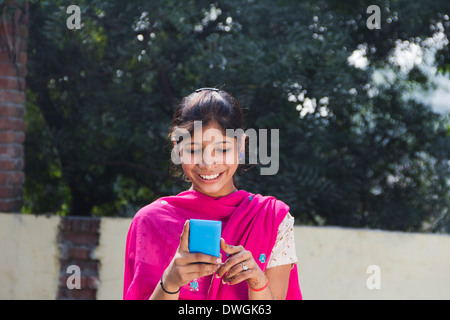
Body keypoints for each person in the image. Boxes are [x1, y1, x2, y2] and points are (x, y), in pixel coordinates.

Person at [123, 88, 302, 300]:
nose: (208, 163)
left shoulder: (271, 218)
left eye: (223, 149)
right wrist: (170, 281)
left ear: (241, 145)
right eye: (194, 149)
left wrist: (258, 283)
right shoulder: (150, 221)